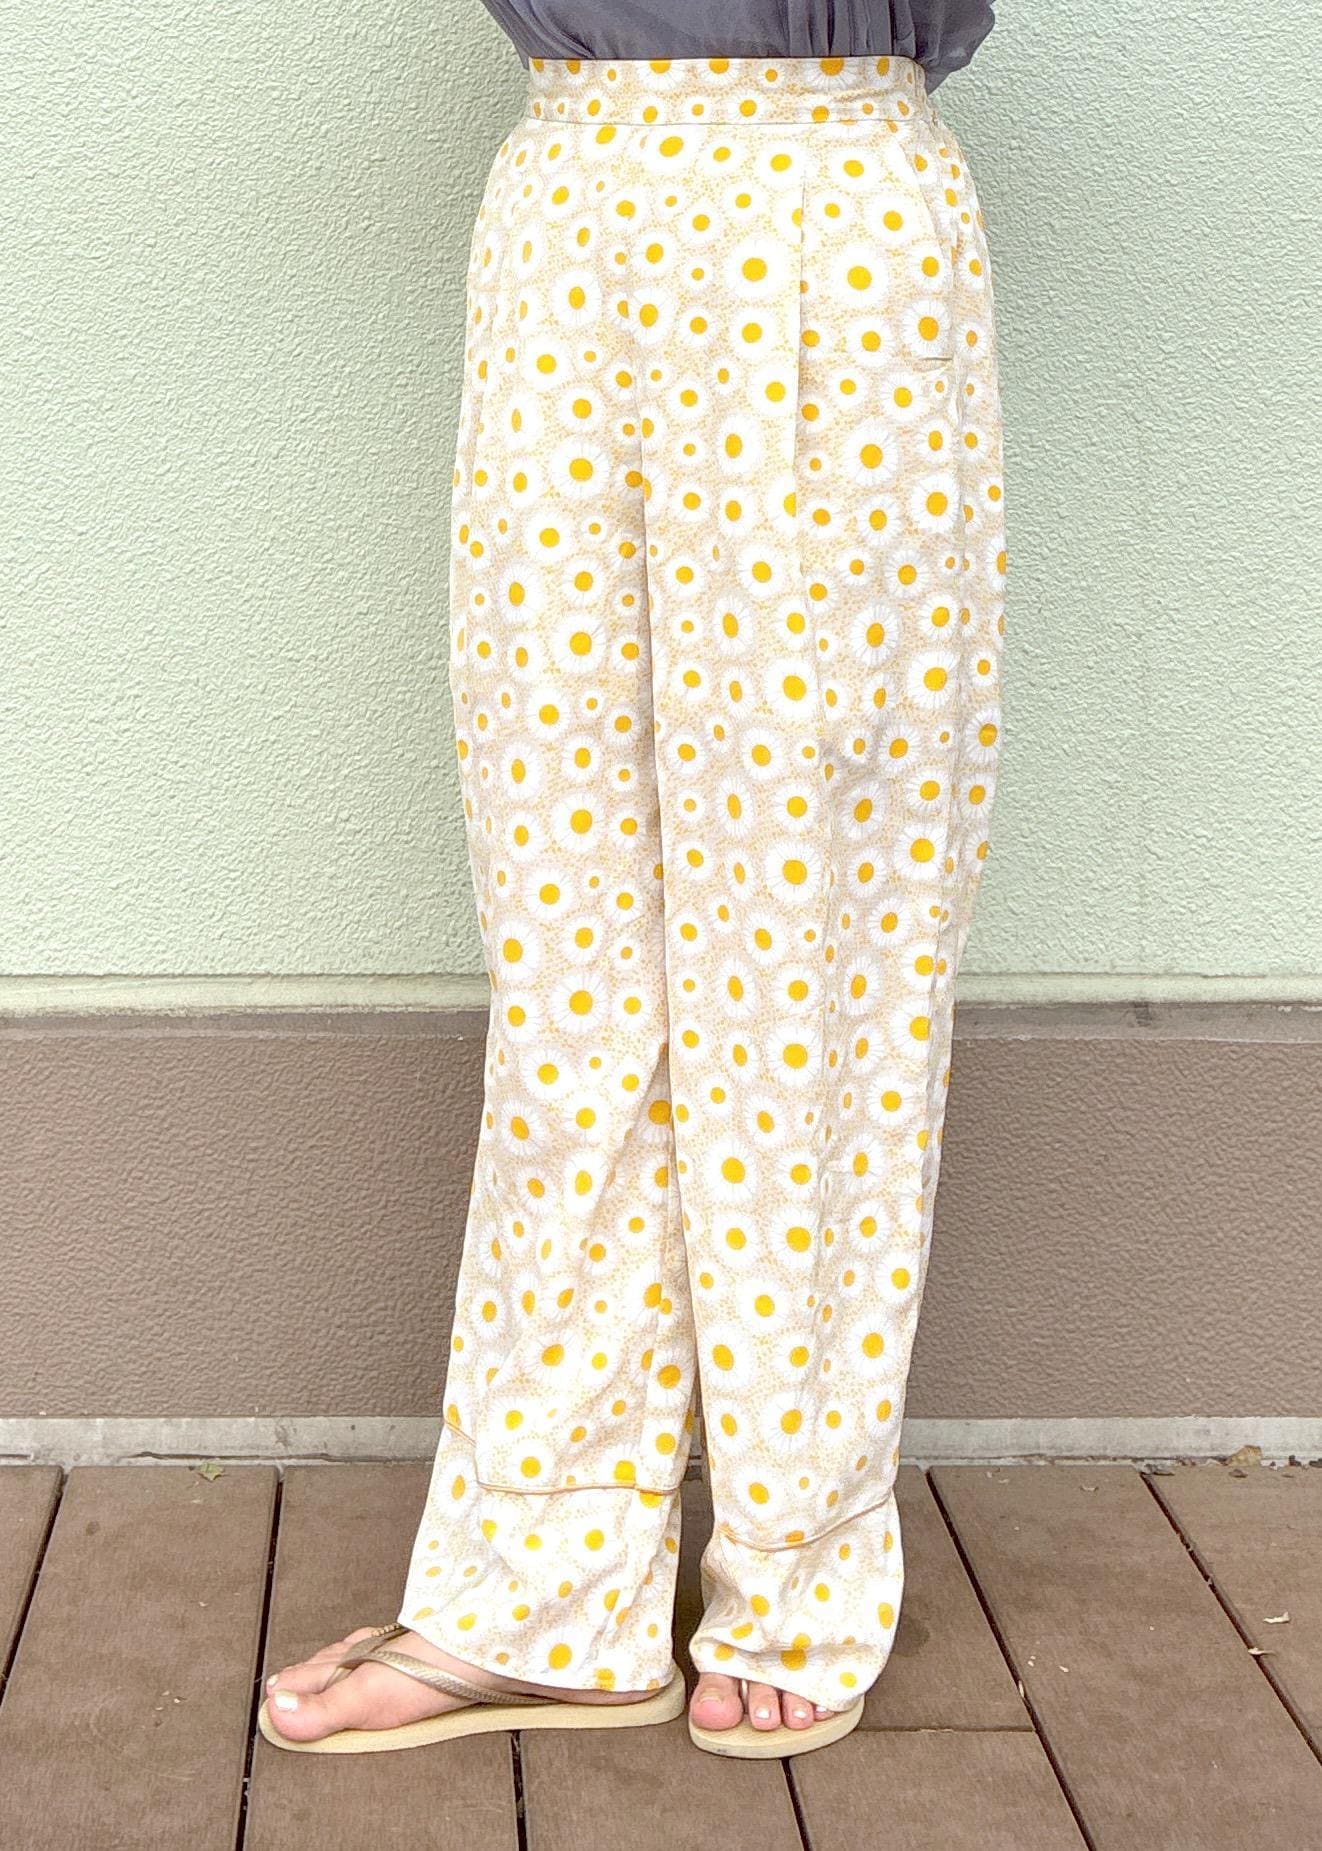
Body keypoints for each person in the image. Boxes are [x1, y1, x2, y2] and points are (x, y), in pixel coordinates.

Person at [261, 0, 1005, 1761]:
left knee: (813, 947)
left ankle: (799, 1561)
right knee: (568, 947)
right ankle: (540, 1591)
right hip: (570, 194)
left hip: (832, 200)